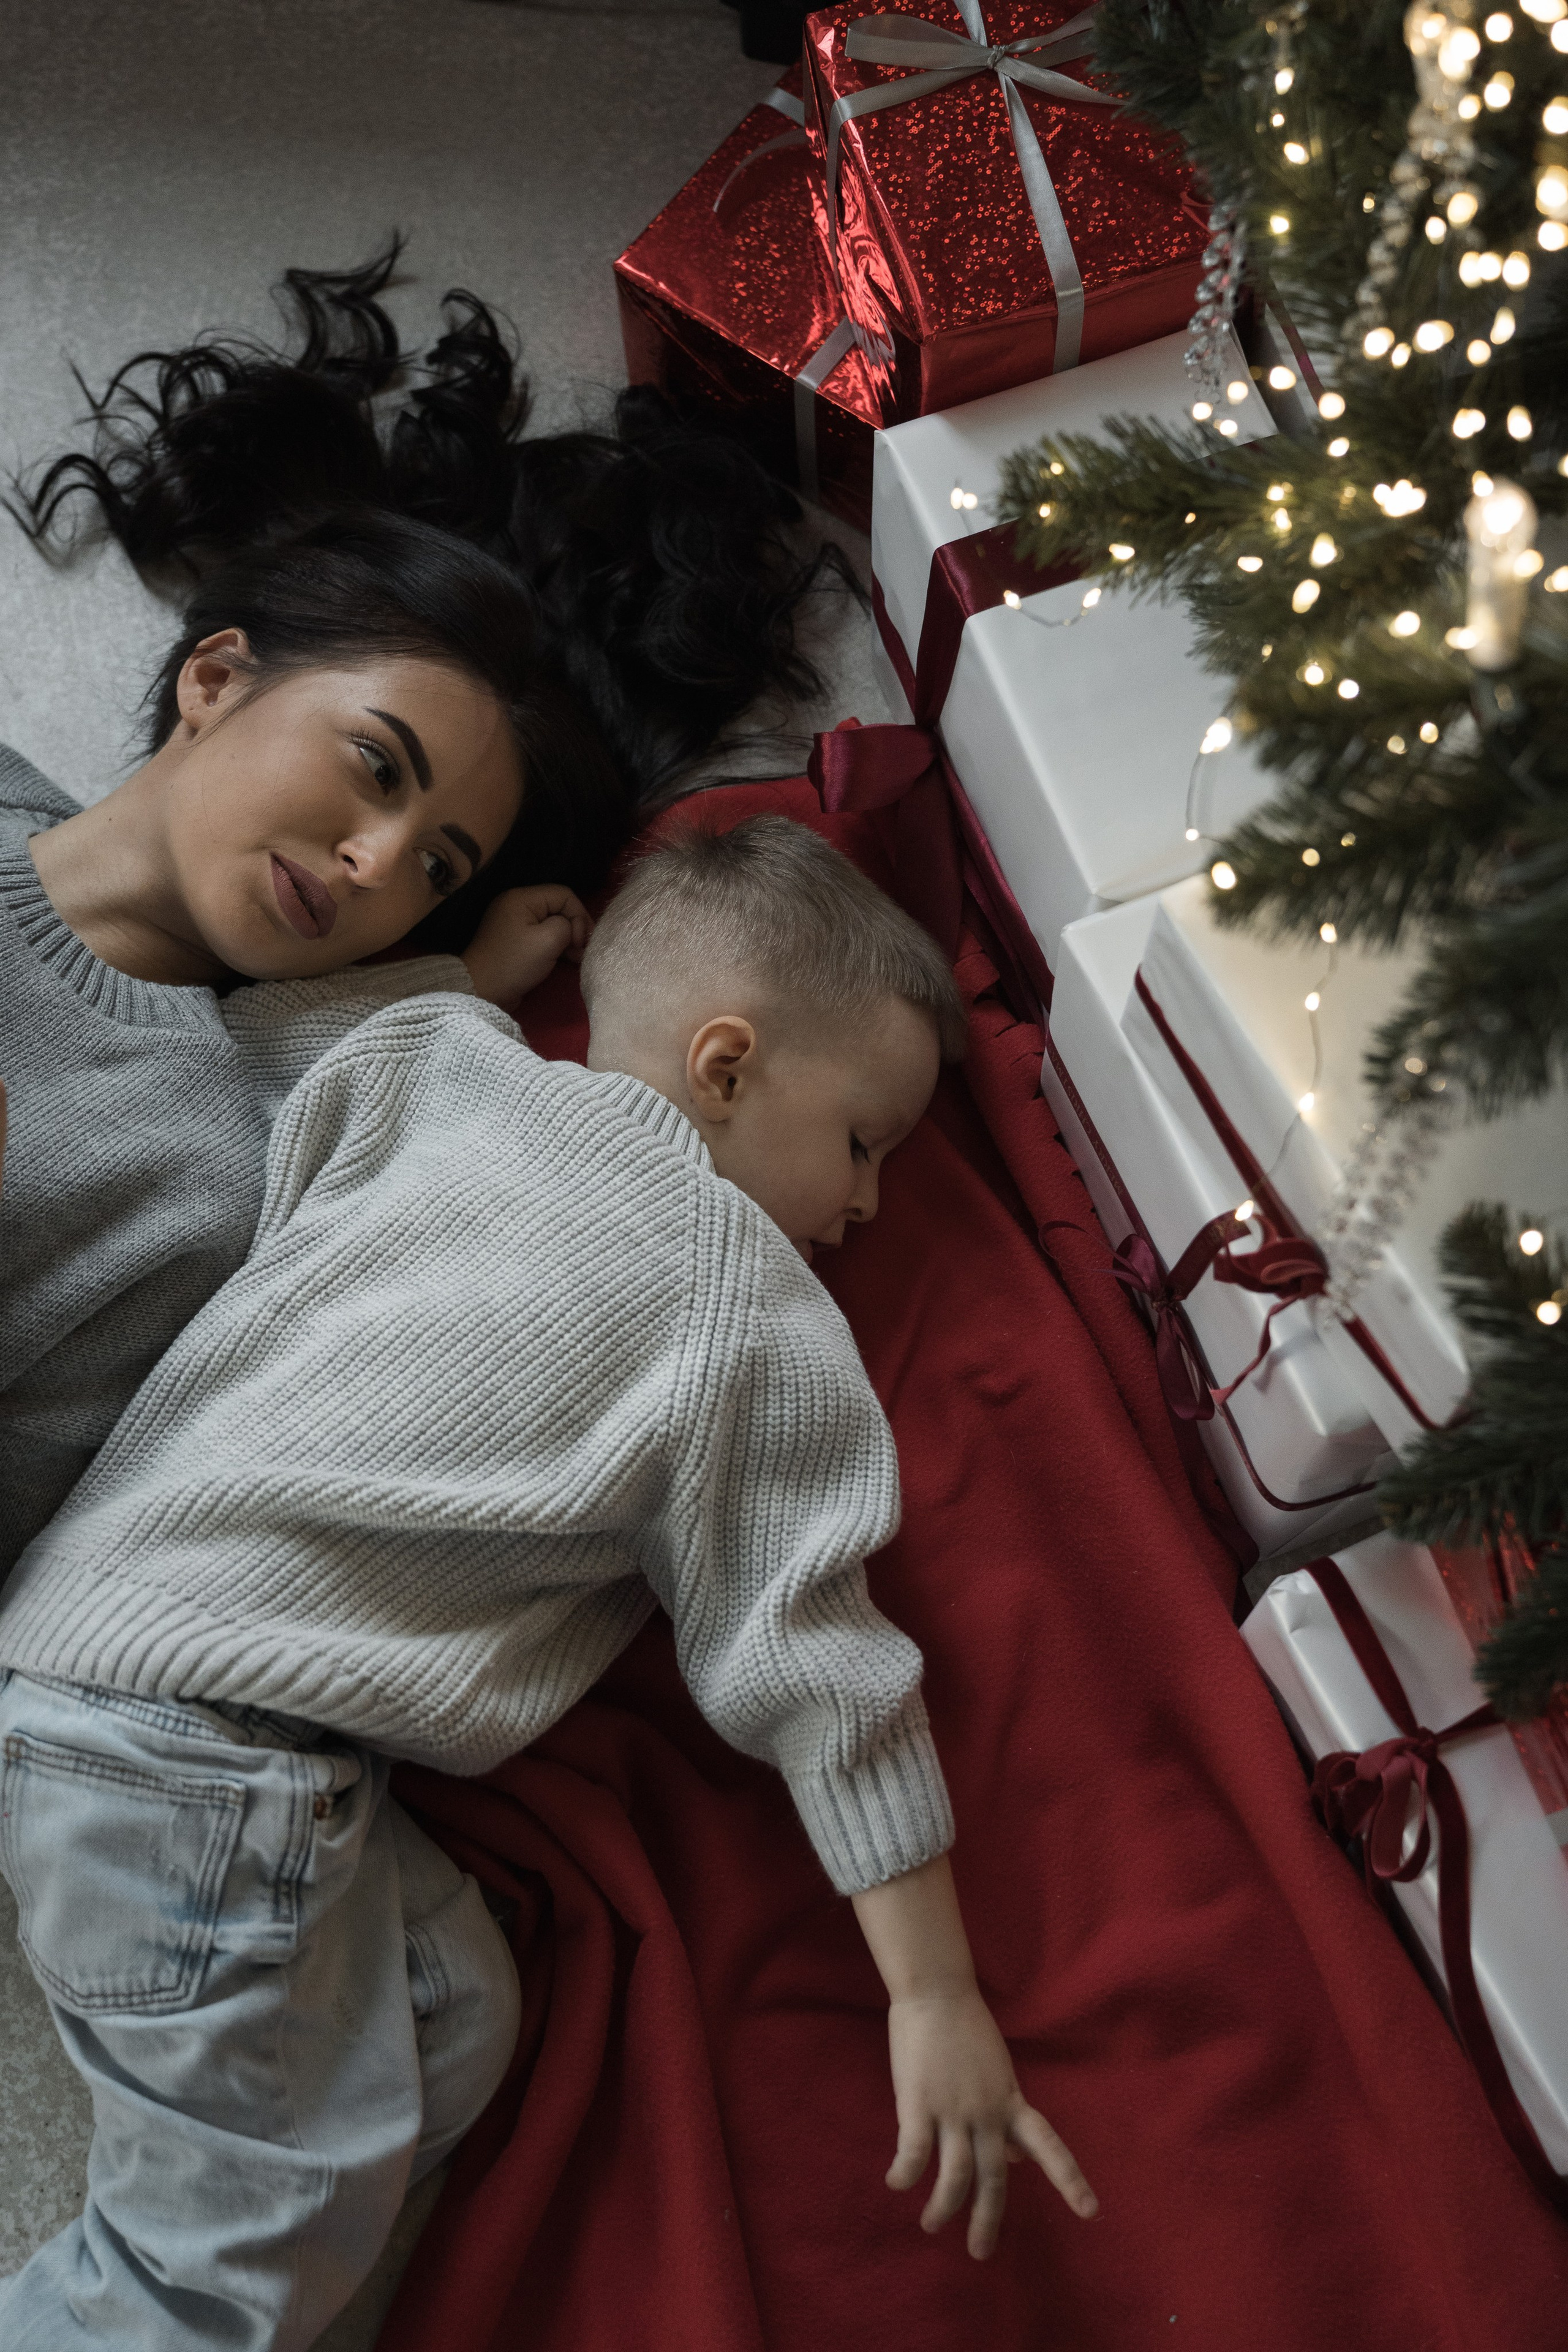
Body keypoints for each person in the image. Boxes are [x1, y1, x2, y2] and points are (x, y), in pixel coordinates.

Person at [0, 816, 1097, 2350]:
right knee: (212, 2278)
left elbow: (273, 1036)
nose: (865, 1210)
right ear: (724, 1067)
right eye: (861, 1143)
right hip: (219, 1766)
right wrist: (934, 1996)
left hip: (77, 1654)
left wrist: (467, 968)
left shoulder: (437, 1053)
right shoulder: (746, 1306)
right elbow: (819, 1669)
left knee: (456, 2017)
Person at [1, 247, 846, 1572]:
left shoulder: (197, 1172)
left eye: (439, 867)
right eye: (374, 767)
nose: (378, 869)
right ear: (217, 679)